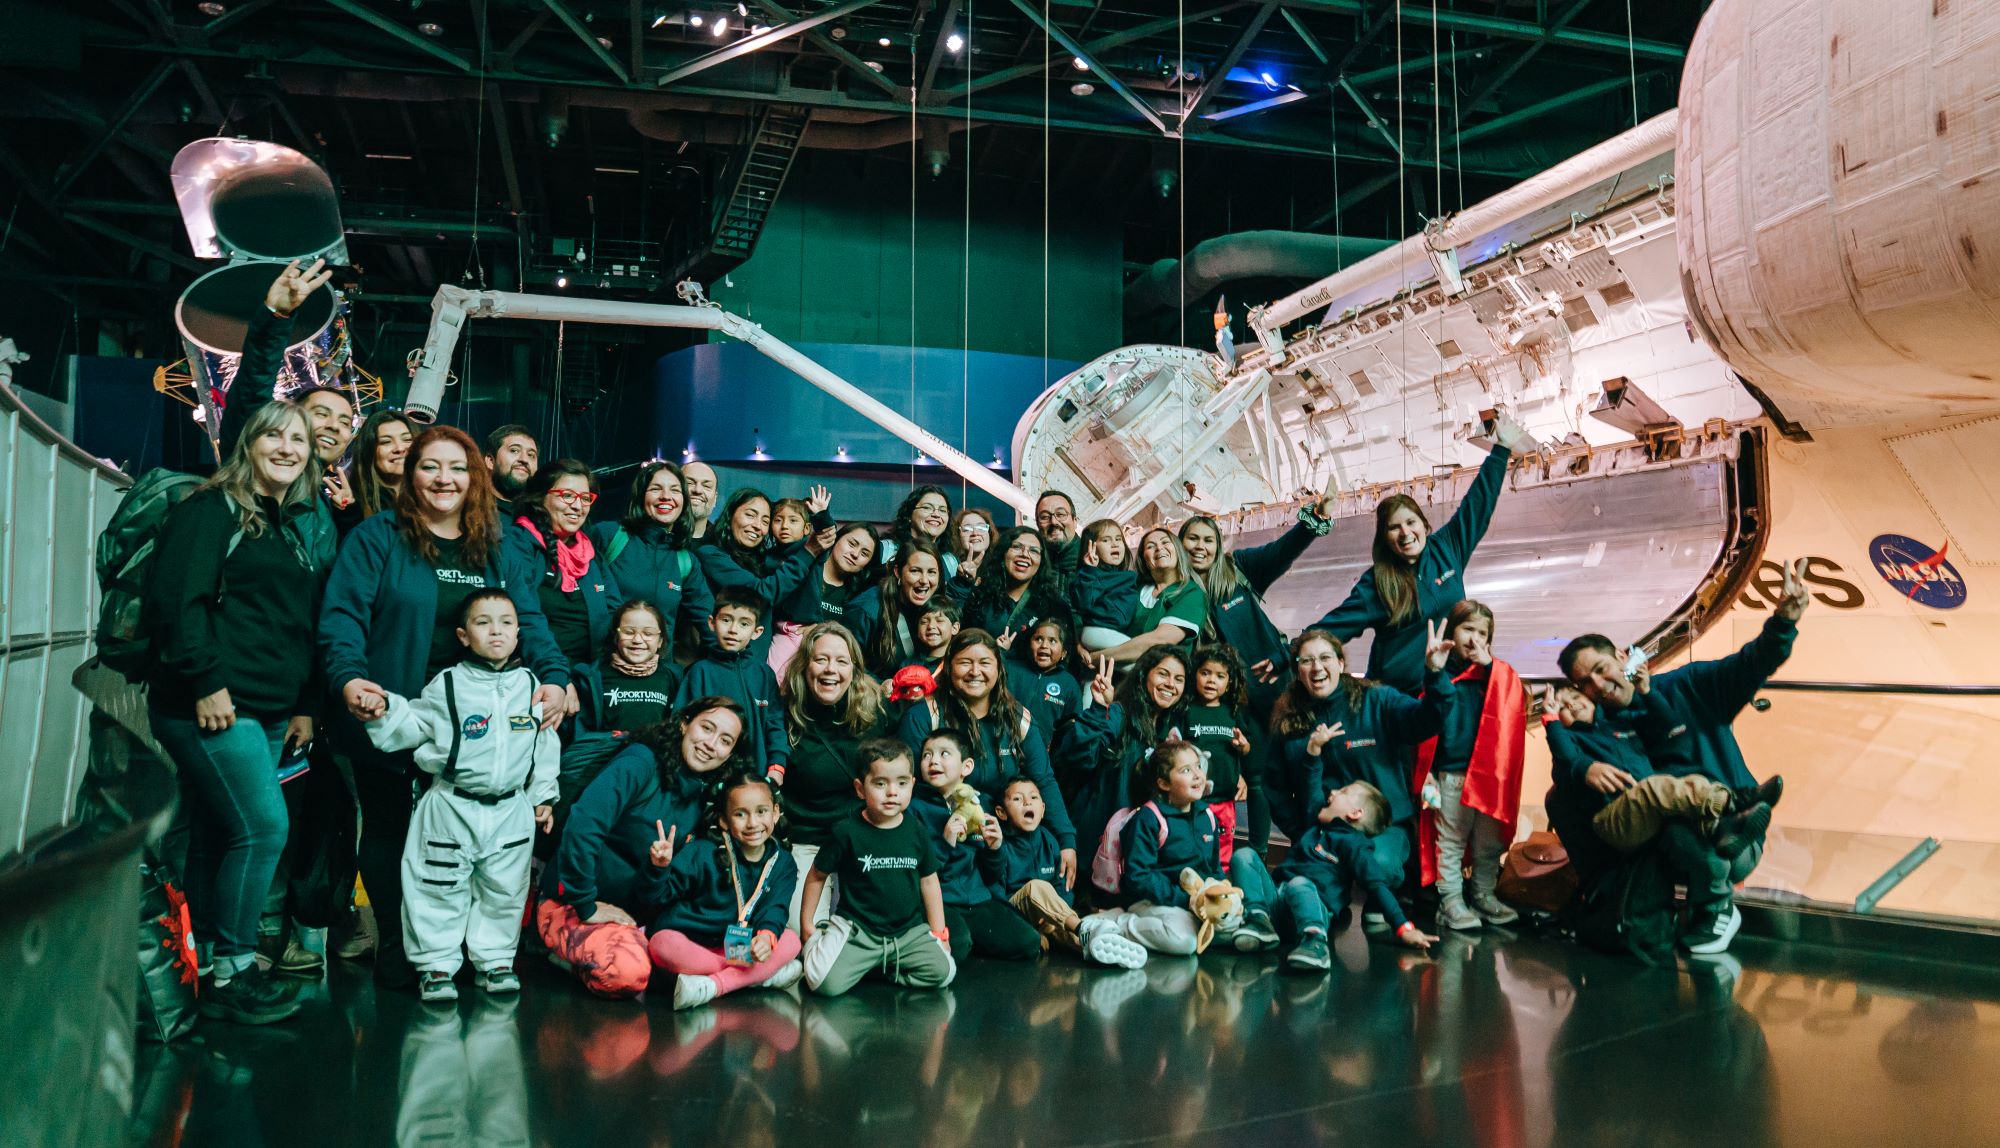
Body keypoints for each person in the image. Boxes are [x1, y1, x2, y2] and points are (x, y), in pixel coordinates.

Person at [319, 425, 569, 989]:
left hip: (478, 725)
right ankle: (399, 945)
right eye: (429, 466)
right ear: (410, 475)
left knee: (466, 848)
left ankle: (463, 953)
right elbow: (343, 616)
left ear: (475, 477)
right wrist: (349, 679)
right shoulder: (379, 537)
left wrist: (555, 677)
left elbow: (528, 619)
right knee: (389, 828)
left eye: (457, 467)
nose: (443, 479)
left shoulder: (495, 545)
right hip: (393, 709)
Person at [146, 401, 334, 1025]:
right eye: (274, 435)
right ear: (247, 444)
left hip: (270, 707)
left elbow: (294, 623)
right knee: (263, 828)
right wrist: (205, 682)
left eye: (299, 439)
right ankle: (235, 969)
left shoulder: (286, 525)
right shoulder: (212, 509)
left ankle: (204, 965)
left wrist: (304, 704)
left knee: (218, 833)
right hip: (215, 705)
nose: (287, 447)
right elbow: (178, 601)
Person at [1557, 560, 1807, 953]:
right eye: (1585, 683)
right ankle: (1698, 910)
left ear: (1621, 657)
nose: (1600, 686)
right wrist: (1583, 768)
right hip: (1665, 847)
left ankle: (1717, 893)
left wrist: (1784, 621)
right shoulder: (1595, 726)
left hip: (1732, 841)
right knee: (1673, 826)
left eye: (1602, 669)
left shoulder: (1687, 686)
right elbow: (1566, 773)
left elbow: (1752, 663)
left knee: (1684, 832)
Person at [361, 589, 560, 1002]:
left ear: (518, 633)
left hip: (510, 809)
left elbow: (544, 744)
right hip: (452, 805)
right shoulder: (448, 684)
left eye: (506, 623)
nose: (496, 631)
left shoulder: (530, 686)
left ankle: (496, 962)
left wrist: (543, 795)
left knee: (505, 889)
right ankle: (435, 966)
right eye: (483, 623)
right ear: (463, 635)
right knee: (437, 887)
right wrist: (384, 709)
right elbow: (414, 723)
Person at [539, 697, 745, 998]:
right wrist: (586, 904)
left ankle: (735, 975)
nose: (711, 744)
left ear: (730, 754)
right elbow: (584, 824)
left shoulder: (703, 794)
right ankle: (565, 958)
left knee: (757, 946)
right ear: (684, 724)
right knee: (629, 973)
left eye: (725, 741)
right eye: (707, 728)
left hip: (633, 916)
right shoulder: (640, 762)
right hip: (572, 904)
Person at [1313, 415, 1530, 692]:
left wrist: (1501, 450)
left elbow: (1477, 505)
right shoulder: (1376, 583)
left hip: (1446, 688)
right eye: (1394, 527)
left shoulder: (1446, 548)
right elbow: (1333, 628)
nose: (1405, 533)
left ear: (1424, 525)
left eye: (1411, 522)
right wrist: (1286, 656)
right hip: (1398, 700)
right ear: (1385, 538)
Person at [1272, 624, 1457, 930]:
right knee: (1303, 888)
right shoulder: (1289, 722)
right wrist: (1300, 830)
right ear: (1298, 670)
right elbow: (1274, 786)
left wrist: (1436, 675)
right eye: (1307, 661)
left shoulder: (1377, 700)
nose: (1317, 667)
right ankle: (1330, 903)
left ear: (1341, 662)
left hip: (1381, 828)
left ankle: (1379, 897)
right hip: (1324, 832)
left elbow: (1428, 720)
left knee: (1379, 863)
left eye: (1325, 658)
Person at [897, 630, 1080, 885]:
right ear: (949, 667)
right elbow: (905, 785)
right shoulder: (924, 716)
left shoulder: (1018, 719)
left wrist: (1065, 840)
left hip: (1000, 844)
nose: (975, 672)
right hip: (941, 841)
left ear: (999, 670)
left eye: (984, 663)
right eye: (964, 663)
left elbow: (1043, 780)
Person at [1542, 684, 1777, 863]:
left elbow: (1668, 723)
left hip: (1646, 811)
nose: (1571, 705)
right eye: (1561, 707)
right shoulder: (1569, 740)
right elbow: (1566, 757)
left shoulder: (1618, 725)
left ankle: (1721, 831)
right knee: (1654, 787)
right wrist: (1551, 721)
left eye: (1574, 697)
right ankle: (1737, 800)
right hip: (1613, 819)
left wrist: (1646, 690)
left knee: (1687, 786)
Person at [799, 739, 956, 995]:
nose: (892, 792)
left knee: (945, 972)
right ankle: (832, 947)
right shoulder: (845, 832)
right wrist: (807, 925)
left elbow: (929, 882)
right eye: (880, 783)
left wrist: (940, 934)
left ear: (912, 784)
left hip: (907, 933)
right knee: (823, 984)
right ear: (860, 789)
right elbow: (817, 875)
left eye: (902, 783)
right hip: (858, 931)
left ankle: (882, 969)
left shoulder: (917, 831)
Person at [1229, 781, 1436, 973]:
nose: (1333, 792)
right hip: (1278, 902)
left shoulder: (1354, 844)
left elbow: (1376, 885)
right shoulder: (1315, 830)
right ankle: (1259, 920)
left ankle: (1314, 942)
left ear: (1355, 813)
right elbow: (1311, 781)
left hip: (1311, 909)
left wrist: (1403, 927)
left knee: (1299, 884)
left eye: (1343, 792)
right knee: (1244, 855)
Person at [1412, 600, 1527, 931]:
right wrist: (1428, 775)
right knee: (1450, 840)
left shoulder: (1497, 675)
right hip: (1450, 774)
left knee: (1488, 842)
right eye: (1468, 629)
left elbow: (1511, 706)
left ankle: (1483, 894)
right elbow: (1425, 725)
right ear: (1452, 631)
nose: (1475, 638)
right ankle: (1450, 900)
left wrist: (1490, 667)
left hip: (1489, 777)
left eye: (1483, 633)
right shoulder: (1438, 673)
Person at [647, 770, 805, 1010]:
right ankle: (756, 978)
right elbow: (656, 897)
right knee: (661, 943)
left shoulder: (783, 862)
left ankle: (714, 985)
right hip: (694, 946)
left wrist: (765, 936)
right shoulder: (702, 852)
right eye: (740, 814)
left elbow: (776, 909)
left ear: (775, 812)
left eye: (761, 811)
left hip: (740, 948)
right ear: (723, 820)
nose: (752, 823)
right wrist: (659, 868)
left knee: (791, 940)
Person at [1099, 741, 1262, 955]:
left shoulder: (1207, 816)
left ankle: (1197, 926)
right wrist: (1186, 900)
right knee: (1184, 941)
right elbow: (1139, 877)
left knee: (1235, 926)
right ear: (1164, 783)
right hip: (1153, 901)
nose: (1197, 775)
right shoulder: (1149, 818)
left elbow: (1213, 868)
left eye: (1198, 766)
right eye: (1186, 770)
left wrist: (1219, 894)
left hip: (1196, 902)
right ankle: (1119, 923)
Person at [779, 622, 888, 929]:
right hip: (808, 842)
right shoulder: (785, 716)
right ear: (805, 665)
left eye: (841, 661)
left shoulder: (873, 713)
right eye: (821, 659)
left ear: (854, 670)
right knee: (801, 931)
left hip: (860, 839)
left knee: (869, 930)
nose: (831, 669)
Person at [978, 776, 1148, 966]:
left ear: (1043, 809)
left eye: (1033, 797)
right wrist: (1028, 930)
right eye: (1018, 798)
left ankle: (1097, 949)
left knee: (1061, 929)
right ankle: (1084, 928)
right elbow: (995, 895)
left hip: (1047, 915)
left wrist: (1052, 917)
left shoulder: (1049, 840)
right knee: (1037, 887)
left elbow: (1062, 886)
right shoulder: (999, 845)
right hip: (1014, 915)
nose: (1027, 802)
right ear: (1001, 813)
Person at [911, 728, 1043, 962]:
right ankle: (965, 939)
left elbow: (993, 875)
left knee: (1030, 943)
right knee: (957, 946)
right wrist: (945, 843)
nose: (933, 761)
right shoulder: (914, 808)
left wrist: (995, 849)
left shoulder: (980, 804)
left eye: (944, 754)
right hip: (941, 901)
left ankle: (974, 939)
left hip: (977, 900)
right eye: (926, 755)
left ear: (967, 767)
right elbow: (917, 874)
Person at [1055, 646, 1188, 875]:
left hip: (1136, 853)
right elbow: (1079, 757)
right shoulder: (1118, 713)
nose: (1170, 684)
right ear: (1144, 675)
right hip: (1095, 851)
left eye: (1179, 679)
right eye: (1163, 674)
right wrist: (1099, 709)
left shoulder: (1170, 730)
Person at [504, 458, 620, 682]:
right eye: (567, 495)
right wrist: (557, 678)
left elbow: (614, 613)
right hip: (536, 674)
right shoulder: (519, 544)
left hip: (589, 676)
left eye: (585, 498)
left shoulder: (590, 554)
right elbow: (525, 616)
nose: (577, 506)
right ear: (540, 497)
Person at [591, 460, 716, 657]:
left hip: (660, 671)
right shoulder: (608, 536)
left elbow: (711, 622)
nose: (666, 496)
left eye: (675, 490)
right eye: (656, 489)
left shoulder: (685, 561)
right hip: (606, 665)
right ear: (641, 495)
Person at [694, 487, 825, 664]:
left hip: (759, 668)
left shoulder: (763, 562)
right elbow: (761, 593)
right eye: (750, 515)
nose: (757, 525)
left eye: (765, 521)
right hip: (724, 664)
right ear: (731, 515)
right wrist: (808, 553)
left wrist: (806, 626)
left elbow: (782, 602)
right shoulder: (711, 555)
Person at [675, 587, 788, 783]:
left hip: (756, 779)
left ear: (757, 632)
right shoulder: (699, 672)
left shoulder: (764, 674)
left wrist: (776, 767)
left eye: (744, 624)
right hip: (707, 780)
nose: (733, 630)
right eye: (726, 620)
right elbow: (680, 724)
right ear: (712, 623)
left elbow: (775, 724)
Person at [1183, 644, 1258, 868]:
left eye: (1220, 676)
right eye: (1205, 673)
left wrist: (1244, 748)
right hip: (1192, 799)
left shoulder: (1232, 712)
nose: (1211, 680)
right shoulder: (1186, 711)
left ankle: (1219, 883)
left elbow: (1245, 750)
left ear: (1229, 682)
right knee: (1191, 846)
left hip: (1225, 799)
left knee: (1223, 850)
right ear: (1195, 675)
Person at [774, 520, 877, 670]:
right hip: (785, 648)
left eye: (864, 553)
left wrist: (820, 630)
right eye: (851, 544)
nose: (855, 554)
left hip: (822, 664)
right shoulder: (807, 568)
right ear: (837, 539)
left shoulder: (857, 597)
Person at [1093, 528, 1207, 665]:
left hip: (1159, 674)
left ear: (1178, 550)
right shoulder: (1134, 588)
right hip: (1111, 672)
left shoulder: (1191, 593)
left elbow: (1158, 641)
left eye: (1165, 542)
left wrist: (1096, 657)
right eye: (1150, 546)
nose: (1159, 548)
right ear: (1143, 559)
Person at [573, 600, 683, 733]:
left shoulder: (673, 677)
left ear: (660, 641)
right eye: (628, 632)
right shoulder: (593, 677)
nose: (637, 640)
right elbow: (582, 733)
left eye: (648, 633)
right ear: (615, 637)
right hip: (608, 746)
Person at [959, 526, 1066, 640]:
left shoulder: (1054, 606)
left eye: (1034, 551)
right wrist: (961, 583)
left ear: (1041, 561)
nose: (1025, 554)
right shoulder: (980, 595)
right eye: (1017, 547)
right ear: (1003, 553)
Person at [864, 539, 946, 677]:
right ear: (897, 572)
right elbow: (846, 662)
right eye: (915, 571)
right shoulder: (868, 609)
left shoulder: (932, 607)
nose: (924, 580)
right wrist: (879, 685)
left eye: (931, 572)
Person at [1004, 617, 1085, 751]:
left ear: (1064, 653)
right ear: (1029, 644)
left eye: (1052, 641)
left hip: (1041, 755)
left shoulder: (1069, 684)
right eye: (1038, 639)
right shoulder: (1010, 669)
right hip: (1003, 747)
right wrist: (1001, 652)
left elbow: (1073, 726)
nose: (1044, 646)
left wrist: (1056, 747)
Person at [1071, 519, 1138, 652]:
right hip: (1097, 632)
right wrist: (1089, 571)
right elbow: (1082, 603)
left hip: (1116, 634)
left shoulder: (1130, 577)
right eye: (1106, 540)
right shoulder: (1088, 576)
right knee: (1140, 654)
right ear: (1091, 547)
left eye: (1118, 539)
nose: (1114, 544)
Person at [347, 409, 415, 533]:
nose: (400, 448)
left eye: (407, 439)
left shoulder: (429, 500)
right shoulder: (355, 508)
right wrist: (345, 511)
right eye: (386, 442)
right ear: (369, 452)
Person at [876, 485, 957, 578]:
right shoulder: (885, 550)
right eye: (927, 508)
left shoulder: (951, 562)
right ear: (909, 515)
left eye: (942, 510)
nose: (936, 514)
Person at [483, 424, 539, 514]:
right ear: (491, 461)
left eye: (531, 455)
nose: (524, 459)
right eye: (514, 450)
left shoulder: (541, 516)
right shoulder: (470, 510)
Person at [1033, 490, 1081, 583]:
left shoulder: (1096, 562)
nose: (1053, 522)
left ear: (1075, 521)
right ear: (1038, 525)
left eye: (1061, 514)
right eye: (1045, 517)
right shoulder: (1031, 563)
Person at [948, 507, 996, 578]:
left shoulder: (1001, 567)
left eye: (981, 528)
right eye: (967, 529)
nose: (975, 533)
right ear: (957, 535)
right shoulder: (948, 568)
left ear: (990, 533)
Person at [681, 461, 719, 541]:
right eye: (689, 483)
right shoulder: (657, 539)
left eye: (707, 486)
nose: (698, 490)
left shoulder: (723, 544)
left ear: (715, 498)